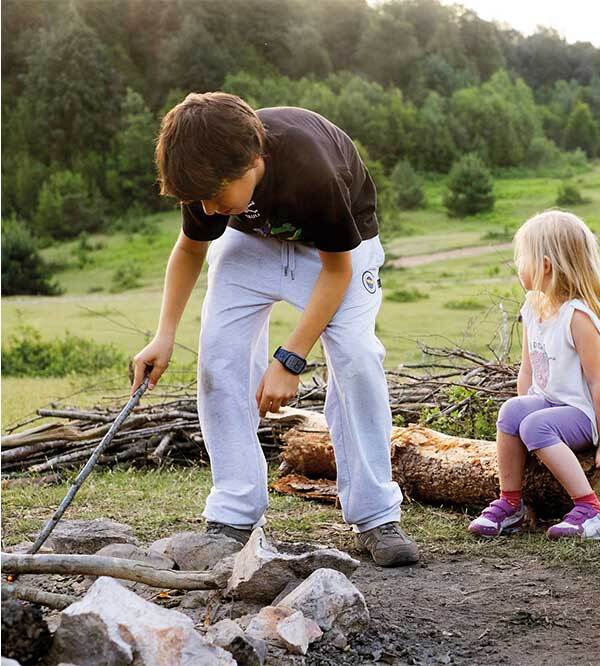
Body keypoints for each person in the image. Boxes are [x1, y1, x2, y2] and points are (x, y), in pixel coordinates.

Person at [130, 92, 418, 566]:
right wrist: (163, 334)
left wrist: (290, 358)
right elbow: (189, 249)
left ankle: (376, 516)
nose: (206, 206)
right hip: (252, 245)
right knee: (220, 356)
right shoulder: (205, 169)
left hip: (337, 253)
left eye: (216, 195)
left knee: (357, 358)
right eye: (197, 198)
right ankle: (235, 511)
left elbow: (336, 272)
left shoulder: (313, 169)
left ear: (253, 162)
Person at [468, 210, 600, 540]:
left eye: (523, 258)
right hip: (550, 404)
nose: (519, 266)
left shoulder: (578, 317)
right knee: (513, 412)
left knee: (534, 424)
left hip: (585, 416)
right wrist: (519, 424)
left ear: (545, 265)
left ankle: (592, 509)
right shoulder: (533, 307)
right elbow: (528, 369)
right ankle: (511, 504)